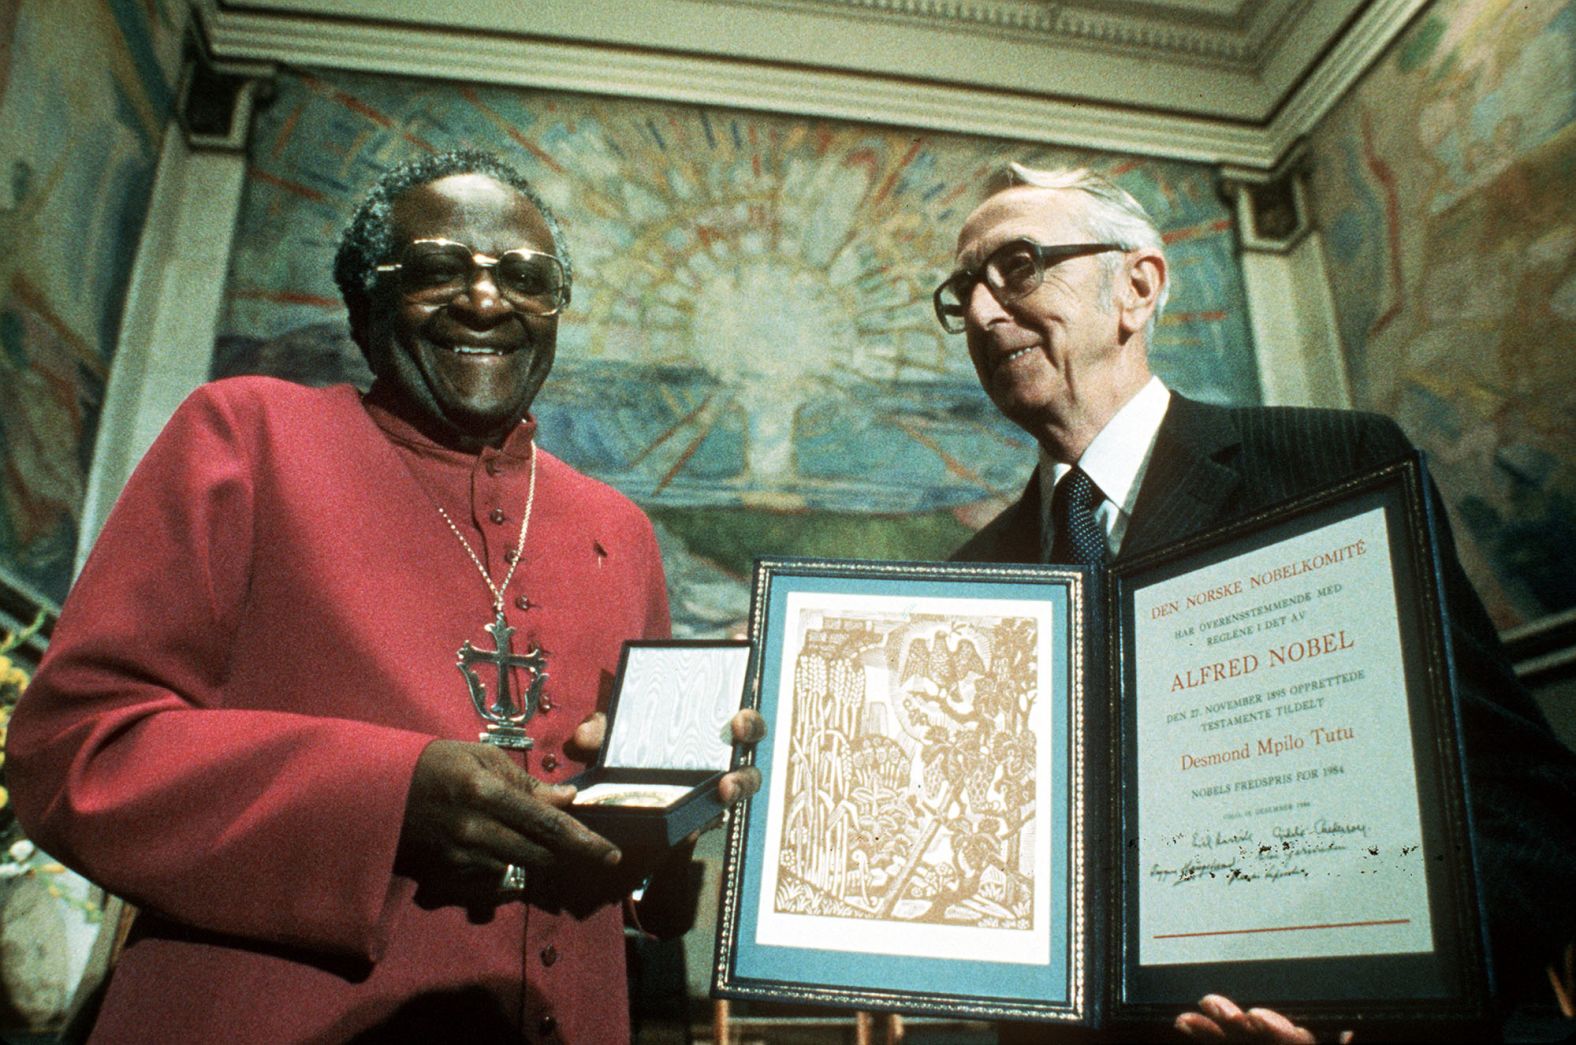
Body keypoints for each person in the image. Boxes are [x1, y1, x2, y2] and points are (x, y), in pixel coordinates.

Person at [6, 149, 764, 1043]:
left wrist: (668, 831)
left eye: (525, 277)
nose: (486, 300)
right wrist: (389, 798)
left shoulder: (621, 530)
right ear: (366, 305)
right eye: (440, 268)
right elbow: (77, 749)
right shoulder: (247, 436)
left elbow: (642, 885)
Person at [940, 162, 1576, 1041]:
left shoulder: (1336, 467)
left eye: (1016, 266)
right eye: (962, 290)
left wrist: (1379, 1012)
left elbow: (1520, 800)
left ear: (1136, 285)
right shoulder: (971, 583)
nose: (980, 311)